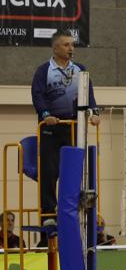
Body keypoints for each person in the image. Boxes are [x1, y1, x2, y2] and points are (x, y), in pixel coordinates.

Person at [31, 29, 99, 229]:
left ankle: (70, 211)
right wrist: (46, 115)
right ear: (55, 48)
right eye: (66, 44)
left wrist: (94, 113)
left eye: (72, 44)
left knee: (73, 171)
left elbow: (89, 95)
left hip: (73, 127)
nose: (71, 48)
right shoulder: (44, 71)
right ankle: (48, 213)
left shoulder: (80, 70)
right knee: (49, 172)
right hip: (51, 128)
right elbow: (37, 96)